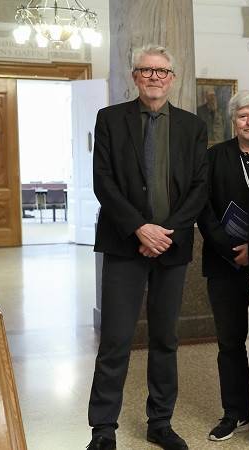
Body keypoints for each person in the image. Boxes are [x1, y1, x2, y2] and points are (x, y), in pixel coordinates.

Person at [86, 44, 208, 450]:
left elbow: (198, 187)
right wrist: (140, 228)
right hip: (125, 244)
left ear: (172, 78)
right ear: (134, 76)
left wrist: (165, 232)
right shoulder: (110, 119)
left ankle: (161, 421)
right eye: (146, 70)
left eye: (162, 71)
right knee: (117, 338)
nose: (154, 77)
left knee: (165, 338)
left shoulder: (192, 126)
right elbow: (103, 181)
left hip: (171, 247)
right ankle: (103, 429)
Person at [197, 90, 249, 441]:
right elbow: (204, 210)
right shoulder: (213, 157)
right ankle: (235, 413)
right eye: (243, 115)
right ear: (234, 120)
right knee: (230, 341)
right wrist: (231, 249)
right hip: (223, 261)